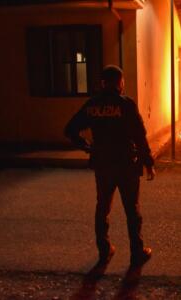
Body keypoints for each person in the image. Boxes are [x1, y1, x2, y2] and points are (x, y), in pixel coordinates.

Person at [64, 65, 155, 271]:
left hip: (103, 165)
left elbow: (70, 130)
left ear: (102, 83)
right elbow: (139, 136)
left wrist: (87, 147)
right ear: (119, 83)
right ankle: (137, 253)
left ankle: (104, 251)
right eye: (122, 81)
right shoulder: (126, 105)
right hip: (126, 165)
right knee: (132, 210)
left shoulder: (92, 105)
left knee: (102, 207)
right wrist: (148, 162)